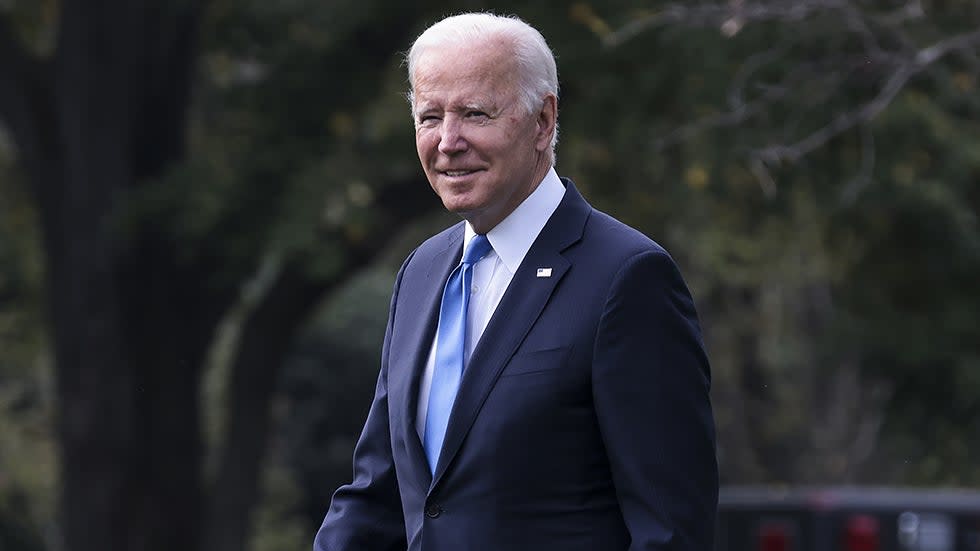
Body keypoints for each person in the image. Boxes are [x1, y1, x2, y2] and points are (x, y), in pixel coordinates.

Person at [314, 12, 717, 551]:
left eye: (475, 114)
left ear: (543, 121)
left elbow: (670, 531)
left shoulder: (628, 279)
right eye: (429, 117)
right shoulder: (421, 272)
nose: (448, 142)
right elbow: (378, 497)